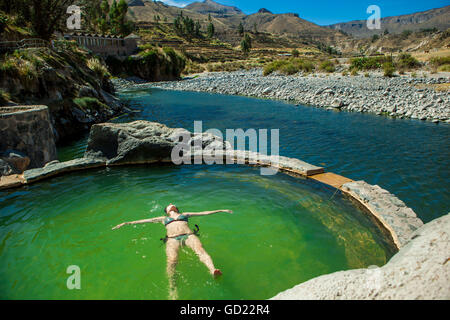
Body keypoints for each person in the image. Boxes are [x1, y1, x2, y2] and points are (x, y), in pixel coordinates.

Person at [112, 203, 233, 299]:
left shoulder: (185, 214)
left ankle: (212, 270)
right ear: (166, 210)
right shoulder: (163, 218)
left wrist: (221, 210)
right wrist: (127, 223)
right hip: (172, 239)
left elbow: (204, 213)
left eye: (172, 204)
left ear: (175, 208)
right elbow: (145, 220)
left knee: (201, 250)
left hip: (188, 235)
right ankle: (172, 288)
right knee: (172, 261)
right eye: (169, 204)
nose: (171, 204)